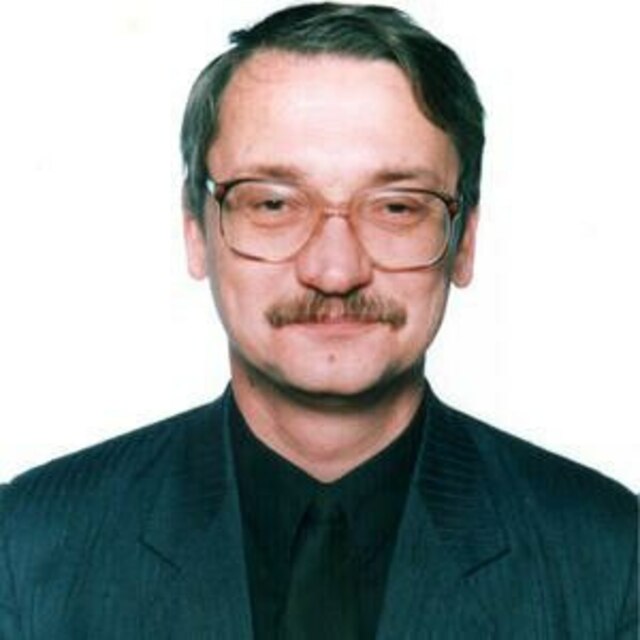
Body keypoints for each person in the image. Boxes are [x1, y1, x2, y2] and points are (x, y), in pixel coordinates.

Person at [0, 3, 636, 638]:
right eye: (274, 204)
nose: (335, 271)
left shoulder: (614, 561)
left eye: (396, 207)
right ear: (196, 232)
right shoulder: (27, 549)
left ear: (463, 241)